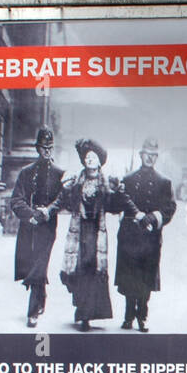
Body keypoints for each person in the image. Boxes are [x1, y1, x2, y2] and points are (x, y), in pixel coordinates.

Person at [111, 137, 176, 332]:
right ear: (141, 155)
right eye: (147, 154)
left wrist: (154, 217)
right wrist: (115, 192)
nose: (150, 158)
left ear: (157, 157)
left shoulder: (164, 182)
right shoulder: (128, 179)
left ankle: (142, 316)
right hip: (130, 235)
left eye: (154, 155)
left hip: (150, 237)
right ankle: (128, 316)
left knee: (146, 277)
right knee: (129, 276)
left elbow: (170, 207)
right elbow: (117, 205)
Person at [57, 138, 116, 331]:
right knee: (80, 270)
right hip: (80, 232)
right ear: (84, 161)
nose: (90, 160)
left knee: (93, 270)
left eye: (94, 157)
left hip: (96, 233)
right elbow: (67, 204)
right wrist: (66, 189)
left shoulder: (105, 183)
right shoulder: (77, 181)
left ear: (100, 162)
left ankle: (88, 314)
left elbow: (114, 207)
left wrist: (118, 191)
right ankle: (82, 312)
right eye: (87, 157)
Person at [10, 127, 65, 328]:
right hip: (29, 227)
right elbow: (16, 199)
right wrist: (30, 215)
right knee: (33, 264)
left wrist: (48, 211)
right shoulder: (26, 173)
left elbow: (63, 200)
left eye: (50, 147)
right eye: (43, 147)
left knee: (39, 265)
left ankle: (32, 312)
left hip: (48, 228)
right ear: (37, 148)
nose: (47, 151)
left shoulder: (60, 174)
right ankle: (41, 294)